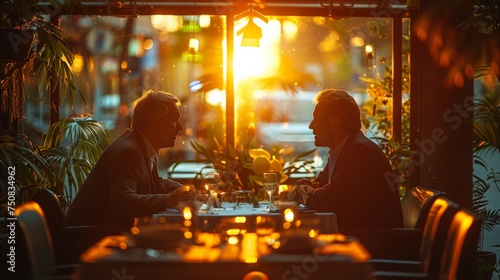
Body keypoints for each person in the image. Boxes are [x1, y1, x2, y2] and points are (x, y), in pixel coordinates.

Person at [66, 90, 197, 228]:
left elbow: (153, 182)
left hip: (101, 234)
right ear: (154, 122)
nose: (180, 128)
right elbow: (123, 202)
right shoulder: (128, 152)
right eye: (174, 120)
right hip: (88, 240)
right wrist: (169, 199)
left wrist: (183, 189)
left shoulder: (140, 145)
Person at [292, 89, 404, 234]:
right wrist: (308, 187)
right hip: (357, 239)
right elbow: (321, 186)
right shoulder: (344, 149)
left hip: (370, 246)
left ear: (334, 124)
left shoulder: (359, 152)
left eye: (316, 119)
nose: (311, 126)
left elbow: (327, 200)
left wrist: (303, 192)